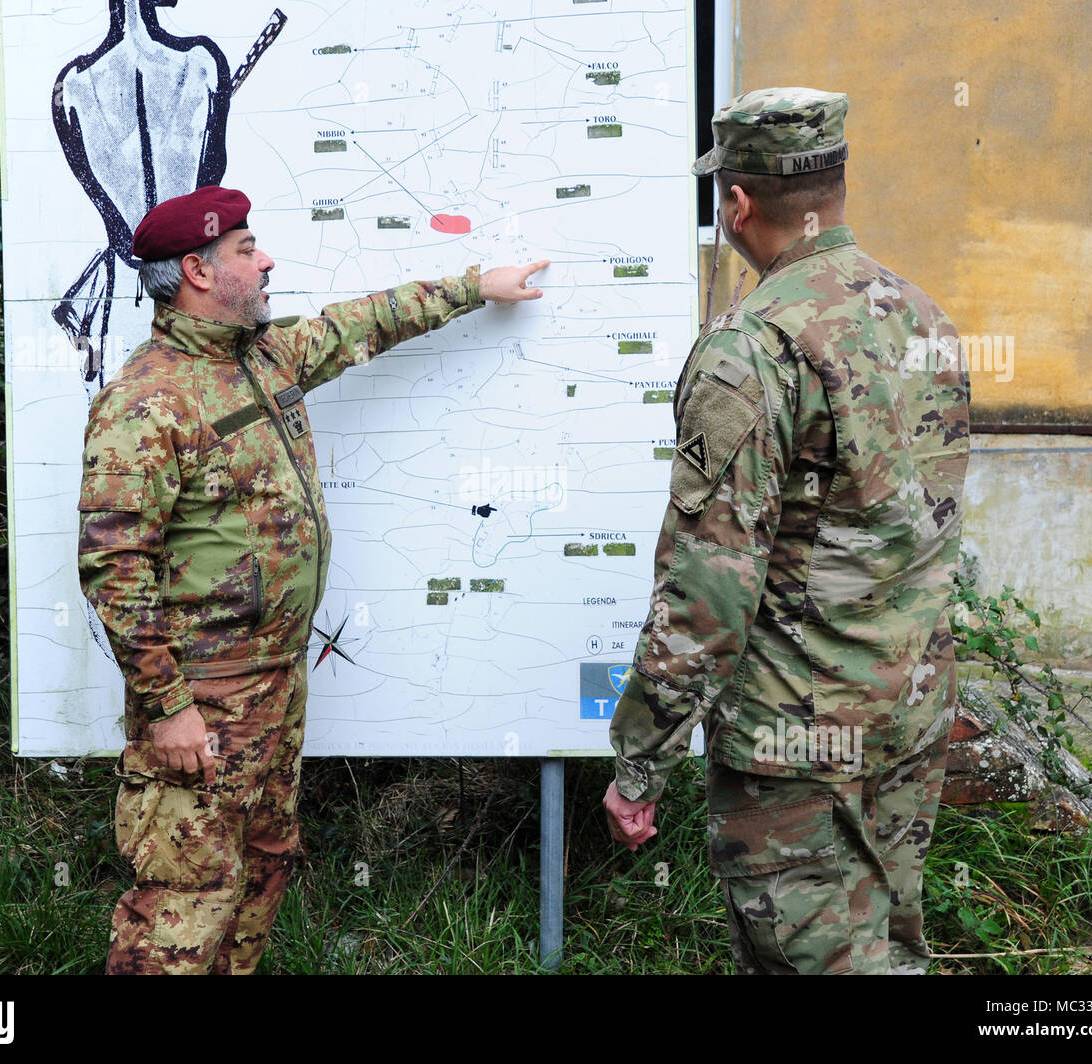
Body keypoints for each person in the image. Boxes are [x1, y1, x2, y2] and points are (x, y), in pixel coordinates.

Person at [78, 184, 548, 974]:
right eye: (245, 250)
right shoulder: (147, 399)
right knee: (185, 901)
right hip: (205, 701)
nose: (266, 261)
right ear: (196, 269)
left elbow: (365, 321)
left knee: (262, 873)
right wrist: (168, 711)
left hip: (277, 690)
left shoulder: (265, 357)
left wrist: (477, 287)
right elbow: (114, 567)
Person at [602, 88, 971, 974]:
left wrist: (639, 761)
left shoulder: (749, 349)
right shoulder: (923, 317)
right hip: (911, 709)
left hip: (797, 741)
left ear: (738, 203)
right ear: (834, 185)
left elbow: (705, 593)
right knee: (889, 950)